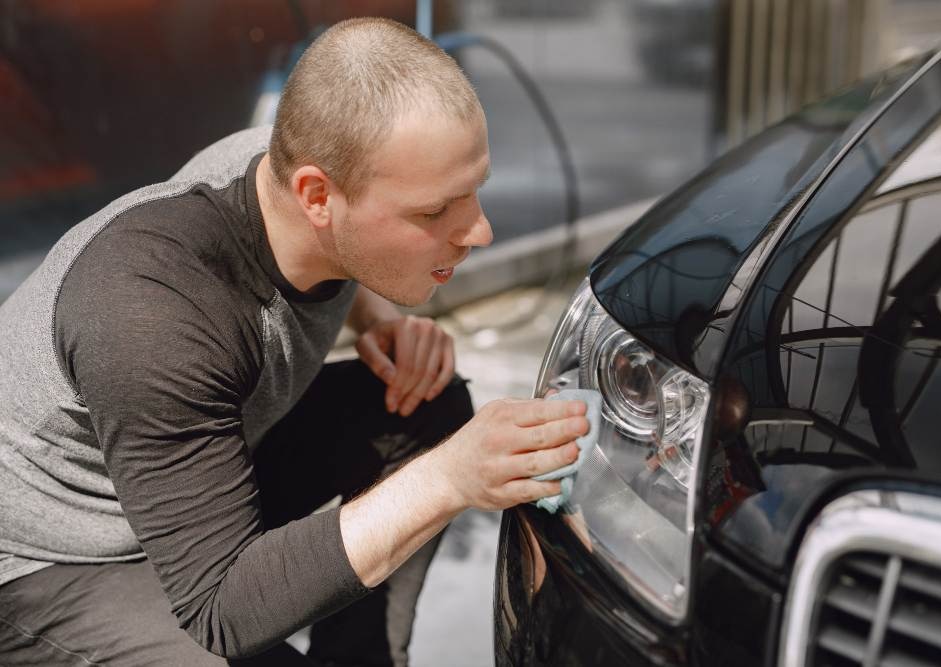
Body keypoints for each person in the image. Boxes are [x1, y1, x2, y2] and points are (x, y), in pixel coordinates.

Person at [0, 17, 587, 666]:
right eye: (433, 212)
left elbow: (328, 250)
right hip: (48, 562)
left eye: (473, 191)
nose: (479, 232)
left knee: (429, 408)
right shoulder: (149, 314)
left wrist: (381, 320)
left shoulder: (281, 165)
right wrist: (450, 479)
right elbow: (223, 609)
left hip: (180, 474)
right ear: (317, 195)